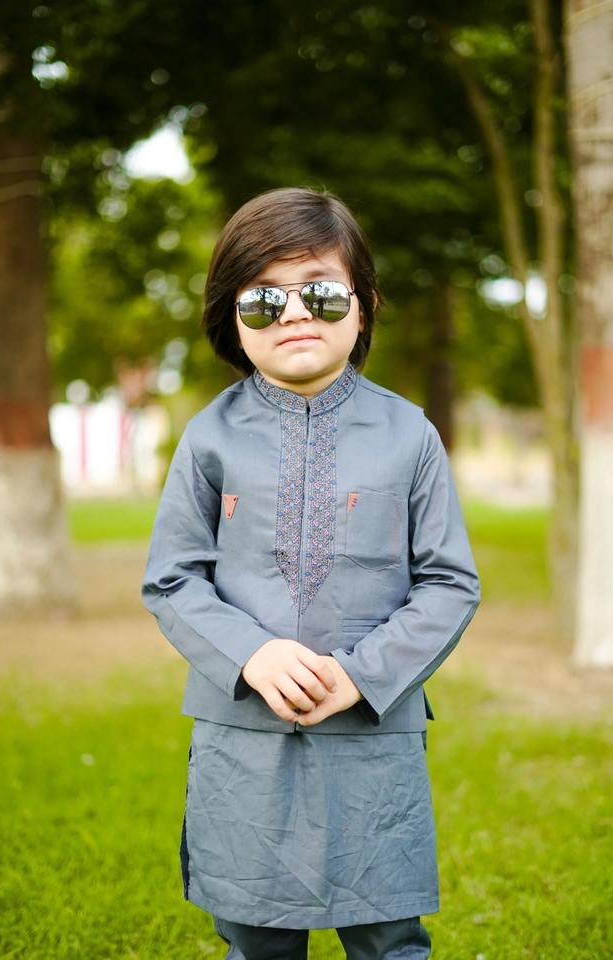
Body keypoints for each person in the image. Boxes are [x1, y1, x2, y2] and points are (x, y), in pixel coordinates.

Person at [141, 186, 481, 959]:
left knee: (388, 937)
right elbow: (171, 578)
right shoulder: (207, 438)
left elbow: (450, 582)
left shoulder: (410, 435)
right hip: (243, 736)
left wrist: (362, 675)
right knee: (255, 935)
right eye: (264, 300)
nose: (294, 315)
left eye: (320, 293)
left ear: (363, 307)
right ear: (231, 319)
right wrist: (253, 655)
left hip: (372, 730)